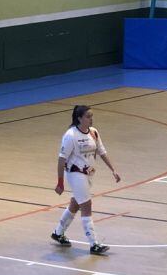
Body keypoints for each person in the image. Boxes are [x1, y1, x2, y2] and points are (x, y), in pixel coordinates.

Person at [51, 105, 121, 255]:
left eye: (91, 116)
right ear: (79, 118)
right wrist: (60, 182)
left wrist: (113, 170)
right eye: (88, 116)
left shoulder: (94, 132)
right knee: (87, 205)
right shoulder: (71, 136)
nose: (91, 119)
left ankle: (58, 232)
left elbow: (102, 151)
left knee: (75, 204)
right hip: (76, 174)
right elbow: (61, 160)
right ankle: (94, 244)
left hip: (89, 175)